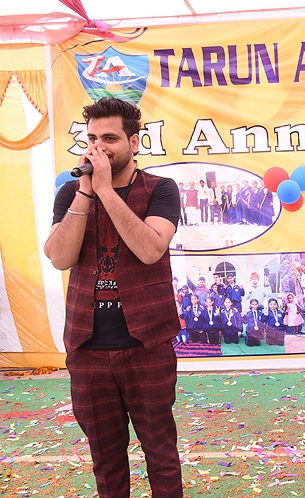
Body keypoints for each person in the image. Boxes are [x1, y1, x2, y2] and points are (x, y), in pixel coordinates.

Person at [43, 97, 183, 497]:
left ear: (134, 143)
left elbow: (151, 248)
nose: (98, 148)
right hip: (87, 347)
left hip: (146, 344)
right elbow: (59, 257)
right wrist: (86, 193)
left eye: (109, 138)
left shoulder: (161, 189)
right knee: (105, 459)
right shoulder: (71, 193)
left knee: (160, 452)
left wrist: (106, 191)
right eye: (92, 139)